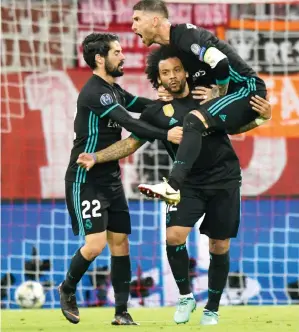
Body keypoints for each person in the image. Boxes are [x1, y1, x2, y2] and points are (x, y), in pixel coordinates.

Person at [76, 46, 271, 325]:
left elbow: (237, 126)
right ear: (158, 79)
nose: (173, 76)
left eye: (177, 70)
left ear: (186, 72)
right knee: (174, 237)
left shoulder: (207, 97)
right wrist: (97, 156)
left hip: (225, 179)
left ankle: (212, 309)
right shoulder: (156, 112)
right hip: (187, 183)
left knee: (219, 245)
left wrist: (264, 116)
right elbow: (131, 143)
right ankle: (185, 296)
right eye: (165, 72)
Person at [60, 32, 182, 326]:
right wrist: (166, 133)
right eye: (116, 52)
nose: (123, 55)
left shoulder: (113, 89)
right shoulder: (95, 92)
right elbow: (129, 121)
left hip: (111, 179)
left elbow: (137, 103)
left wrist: (163, 101)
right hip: (85, 177)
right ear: (100, 58)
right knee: (94, 245)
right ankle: (67, 288)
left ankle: (121, 311)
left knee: (121, 244)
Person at [131, 0, 269, 204]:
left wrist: (219, 93)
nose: (133, 26)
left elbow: (220, 62)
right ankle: (185, 187)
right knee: (199, 123)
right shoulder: (174, 50)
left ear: (154, 21)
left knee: (193, 120)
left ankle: (173, 186)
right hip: (232, 98)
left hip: (246, 90)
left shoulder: (186, 37)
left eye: (136, 19)